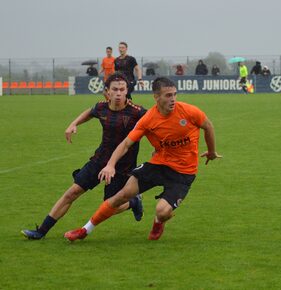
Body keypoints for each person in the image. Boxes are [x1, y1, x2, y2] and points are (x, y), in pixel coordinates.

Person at [64, 77, 222, 242]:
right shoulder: (148, 119)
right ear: (156, 97)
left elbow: (208, 126)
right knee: (122, 195)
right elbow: (125, 144)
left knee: (162, 211)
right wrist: (110, 165)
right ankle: (84, 230)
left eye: (174, 94)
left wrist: (211, 152)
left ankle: (158, 221)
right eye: (168, 95)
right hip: (158, 164)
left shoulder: (189, 111)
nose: (173, 99)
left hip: (183, 172)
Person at [21, 73, 147, 240]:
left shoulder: (137, 112)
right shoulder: (102, 107)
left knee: (110, 205)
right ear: (107, 92)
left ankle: (133, 202)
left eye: (122, 89)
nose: (118, 93)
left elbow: (155, 125)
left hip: (122, 167)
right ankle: (41, 231)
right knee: (71, 193)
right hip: (99, 161)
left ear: (126, 91)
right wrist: (74, 124)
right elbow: (90, 112)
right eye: (114, 89)